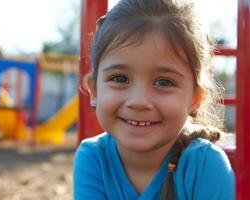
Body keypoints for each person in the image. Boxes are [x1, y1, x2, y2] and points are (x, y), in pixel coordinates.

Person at [73, 0, 235, 199]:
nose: (139, 101)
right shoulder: (94, 157)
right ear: (94, 91)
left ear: (195, 98)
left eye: (164, 82)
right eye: (119, 78)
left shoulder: (205, 165)